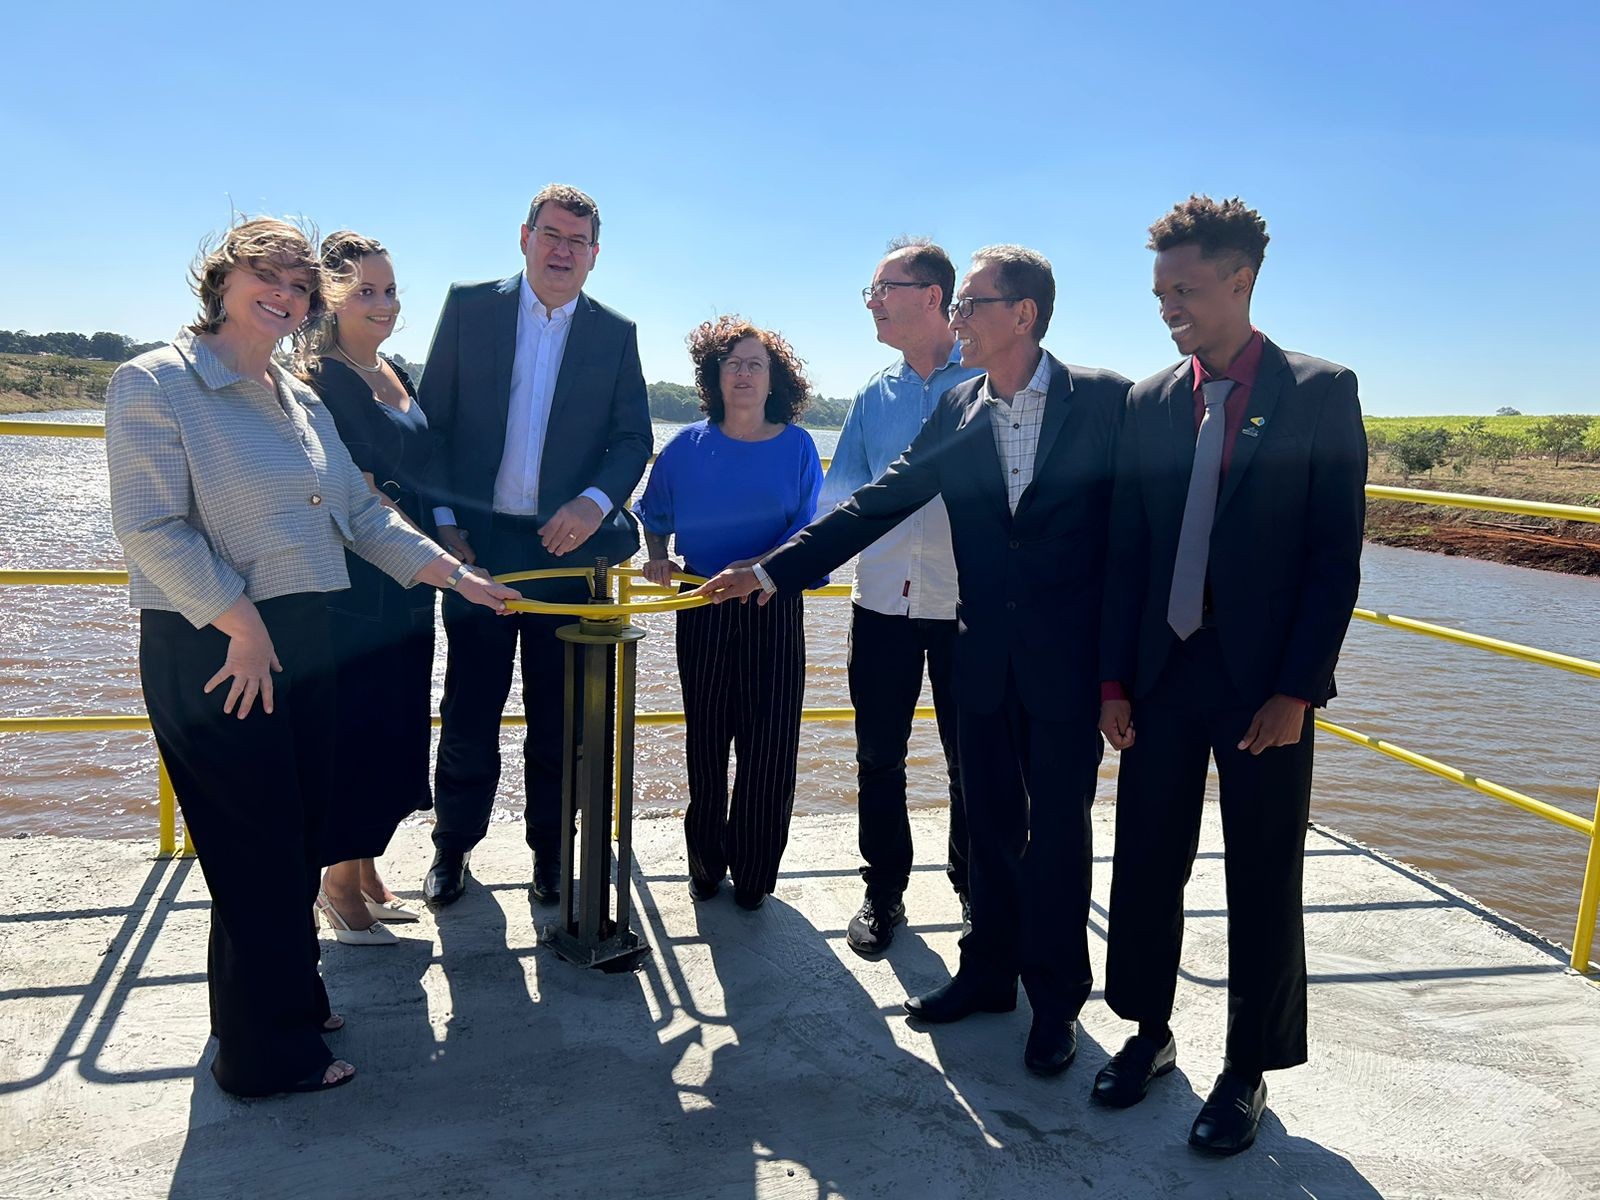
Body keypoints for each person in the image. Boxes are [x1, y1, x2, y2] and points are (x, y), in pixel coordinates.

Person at [104, 217, 520, 1097]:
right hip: (217, 643)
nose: (285, 294)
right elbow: (150, 526)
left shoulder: (300, 397)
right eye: (269, 275)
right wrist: (241, 623)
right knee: (254, 848)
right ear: (221, 279)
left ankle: (288, 999)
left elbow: (361, 518)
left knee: (295, 838)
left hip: (305, 634)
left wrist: (459, 577)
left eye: (299, 284)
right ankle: (264, 1058)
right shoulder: (157, 380)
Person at [696, 247, 1128, 1078]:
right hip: (981, 652)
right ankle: (988, 975)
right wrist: (773, 570)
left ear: (1023, 315)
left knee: (1058, 838)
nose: (958, 318)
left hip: (1068, 667)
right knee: (990, 827)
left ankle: (1057, 1003)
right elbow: (878, 498)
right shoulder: (960, 406)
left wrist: (1124, 672)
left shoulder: (1105, 400)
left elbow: (1135, 535)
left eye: (970, 305)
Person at [1095, 196, 1366, 1155]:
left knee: (1262, 874)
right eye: (1159, 293)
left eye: (1185, 289)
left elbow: (1333, 557)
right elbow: (1127, 550)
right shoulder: (1148, 401)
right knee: (1144, 861)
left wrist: (1300, 690)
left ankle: (1247, 1068)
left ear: (1242, 280)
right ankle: (1147, 1031)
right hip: (1161, 675)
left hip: (1263, 689)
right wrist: (1113, 683)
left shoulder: (1320, 391)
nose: (1168, 308)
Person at [418, 184, 652, 908]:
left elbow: (632, 440)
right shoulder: (469, 307)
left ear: (595, 255)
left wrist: (592, 504)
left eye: (577, 241)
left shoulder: (615, 333)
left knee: (559, 717)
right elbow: (433, 426)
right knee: (469, 707)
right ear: (524, 237)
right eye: (551, 235)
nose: (562, 251)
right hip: (478, 547)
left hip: (566, 553)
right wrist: (445, 524)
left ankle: (550, 851)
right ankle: (452, 847)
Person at [823, 238, 980, 956]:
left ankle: (975, 893)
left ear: (932, 296)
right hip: (881, 601)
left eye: (885, 288)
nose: (873, 303)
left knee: (971, 761)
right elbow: (840, 496)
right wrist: (778, 565)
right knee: (877, 757)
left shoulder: (987, 377)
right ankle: (884, 892)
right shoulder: (873, 394)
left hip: (967, 607)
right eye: (872, 290)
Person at [635, 317, 823, 910]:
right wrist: (658, 556)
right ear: (714, 377)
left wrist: (760, 567)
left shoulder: (799, 446)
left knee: (771, 744)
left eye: (755, 365)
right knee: (707, 740)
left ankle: (754, 873)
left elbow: (810, 529)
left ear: (774, 379)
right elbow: (654, 515)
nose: (743, 374)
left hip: (773, 603)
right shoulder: (683, 447)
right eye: (732, 364)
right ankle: (705, 864)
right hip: (704, 603)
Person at [297, 232, 435, 944]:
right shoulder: (320, 382)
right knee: (358, 729)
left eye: (390, 290)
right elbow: (354, 492)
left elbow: (420, 469)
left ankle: (366, 868)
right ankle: (337, 883)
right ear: (330, 300)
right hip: (356, 586)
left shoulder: (393, 369)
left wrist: (446, 542)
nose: (384, 304)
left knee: (394, 728)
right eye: (365, 292)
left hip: (412, 579)